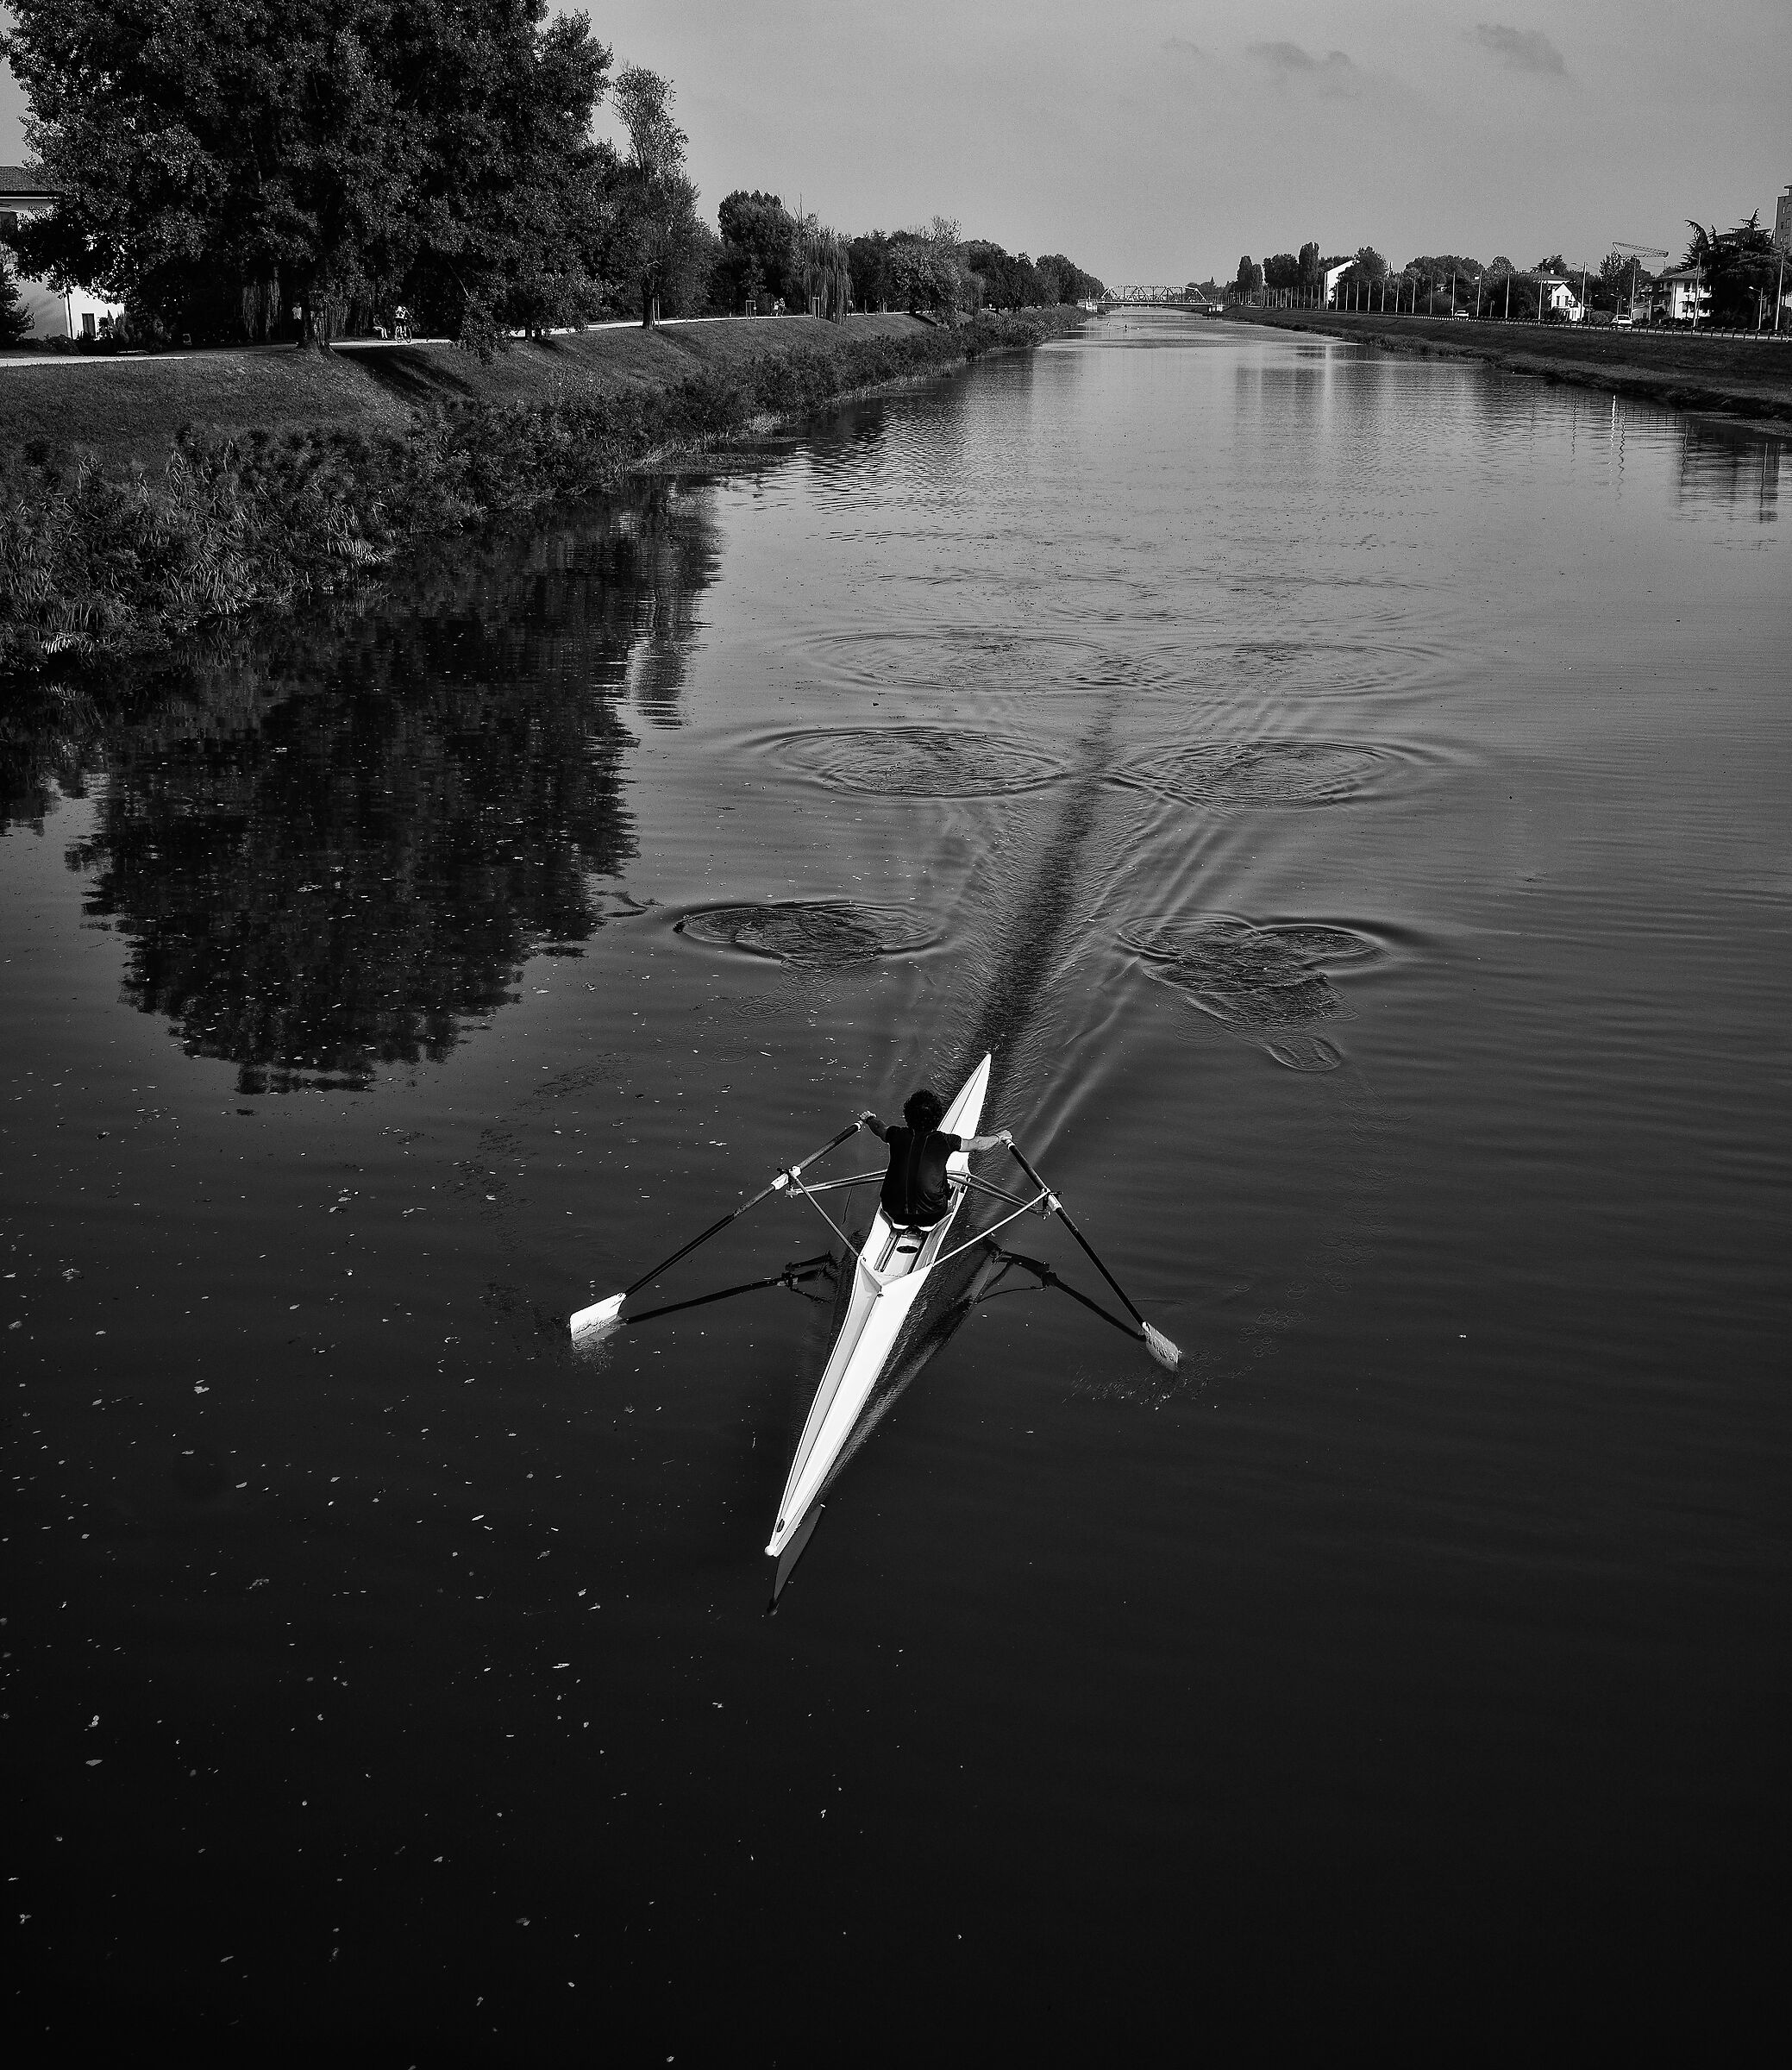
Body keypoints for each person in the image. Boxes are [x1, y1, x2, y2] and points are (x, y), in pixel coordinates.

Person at [858, 1088, 1010, 1230]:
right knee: (948, 1200)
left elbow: (879, 1129)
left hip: (892, 1210)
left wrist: (869, 1118)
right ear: (937, 1118)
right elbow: (977, 1144)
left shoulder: (895, 1134)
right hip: (932, 1215)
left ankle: (903, 1222)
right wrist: (999, 1137)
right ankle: (935, 1220)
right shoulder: (945, 1141)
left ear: (907, 1116)